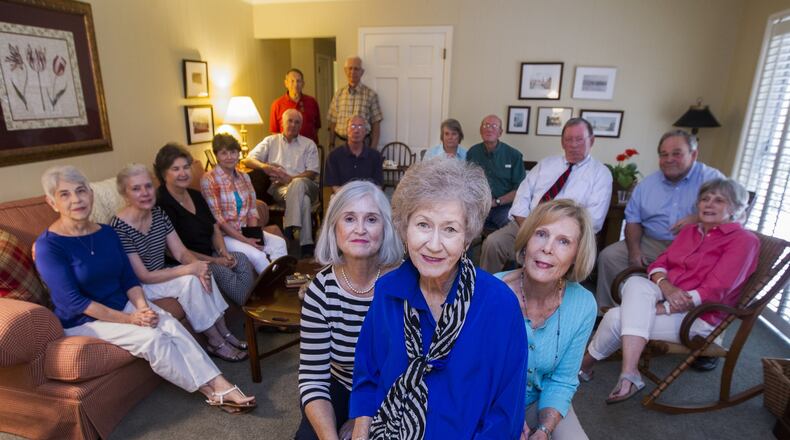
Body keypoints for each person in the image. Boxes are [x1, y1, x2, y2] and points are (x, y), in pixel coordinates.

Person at [34, 165, 256, 414]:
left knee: (169, 324)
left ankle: (220, 382)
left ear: (91, 194)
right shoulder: (48, 247)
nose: (76, 199)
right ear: (52, 202)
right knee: (153, 338)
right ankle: (212, 392)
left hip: (123, 303)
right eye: (65, 194)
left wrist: (142, 307)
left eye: (81, 191)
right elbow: (74, 301)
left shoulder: (106, 233)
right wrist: (130, 318)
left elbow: (128, 278)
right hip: (84, 319)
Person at [350, 159, 528, 439]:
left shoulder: (499, 305)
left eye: (450, 229)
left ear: (467, 238)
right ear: (404, 228)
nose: (433, 244)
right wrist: (362, 430)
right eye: (423, 224)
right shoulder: (387, 292)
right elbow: (368, 375)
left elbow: (506, 412)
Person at [579, 178, 759, 404]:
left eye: (719, 200)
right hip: (667, 295)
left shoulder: (744, 240)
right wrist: (665, 286)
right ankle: (630, 373)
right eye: (705, 199)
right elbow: (659, 262)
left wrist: (664, 307)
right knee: (636, 282)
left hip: (699, 317)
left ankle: (588, 365)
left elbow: (718, 288)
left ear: (735, 208)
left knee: (617, 316)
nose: (709, 204)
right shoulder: (691, 231)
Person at [295, 181, 403, 440]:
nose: (360, 229)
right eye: (350, 218)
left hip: (394, 390)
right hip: (342, 384)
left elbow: (407, 372)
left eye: (372, 219)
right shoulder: (321, 290)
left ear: (385, 229)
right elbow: (313, 379)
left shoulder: (402, 284)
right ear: (334, 227)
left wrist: (360, 421)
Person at [111, 164, 248, 362]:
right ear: (125, 194)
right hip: (139, 286)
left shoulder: (158, 214)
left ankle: (225, 332)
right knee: (190, 280)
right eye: (136, 188)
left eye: (148, 186)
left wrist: (198, 267)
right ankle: (215, 342)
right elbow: (143, 276)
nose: (145, 193)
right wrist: (190, 269)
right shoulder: (119, 227)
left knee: (202, 270)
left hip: (161, 273)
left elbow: (181, 252)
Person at [497, 199, 597, 440]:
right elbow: (475, 375)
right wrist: (509, 418)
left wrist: (544, 430)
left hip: (541, 400)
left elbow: (562, 379)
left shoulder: (583, 305)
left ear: (576, 255)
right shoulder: (492, 293)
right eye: (541, 234)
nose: (548, 248)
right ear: (526, 241)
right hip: (490, 401)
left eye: (564, 241)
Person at [596, 130, 724, 309]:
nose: (669, 159)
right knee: (609, 256)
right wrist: (634, 251)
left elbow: (729, 213)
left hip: (696, 245)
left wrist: (698, 219)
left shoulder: (713, 179)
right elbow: (633, 220)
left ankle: (669, 312)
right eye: (664, 155)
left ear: (693, 154)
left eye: (676, 153)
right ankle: (609, 310)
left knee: (688, 271)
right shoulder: (647, 185)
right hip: (652, 241)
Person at [480, 118, 612, 273]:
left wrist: (551, 233)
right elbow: (522, 195)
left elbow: (593, 221)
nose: (574, 144)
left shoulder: (601, 174)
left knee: (549, 257)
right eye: (569, 139)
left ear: (592, 140)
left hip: (565, 234)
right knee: (493, 243)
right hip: (526, 223)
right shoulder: (546, 164)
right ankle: (485, 289)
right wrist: (529, 228)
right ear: (562, 142)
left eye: (579, 139)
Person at [154, 143, 256, 306]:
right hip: (186, 262)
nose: (183, 173)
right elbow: (174, 251)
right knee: (222, 271)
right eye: (176, 169)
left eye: (186, 167)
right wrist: (215, 261)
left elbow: (214, 227)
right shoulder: (161, 203)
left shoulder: (196, 195)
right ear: (163, 173)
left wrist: (223, 253)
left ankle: (252, 307)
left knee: (241, 259)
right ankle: (254, 309)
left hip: (211, 253)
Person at [201, 133, 288, 273]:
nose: (229, 157)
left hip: (244, 230)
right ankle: (269, 288)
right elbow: (219, 220)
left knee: (279, 243)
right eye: (224, 153)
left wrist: (252, 235)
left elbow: (252, 209)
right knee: (258, 255)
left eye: (233, 152)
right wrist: (246, 241)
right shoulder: (209, 180)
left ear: (238, 154)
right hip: (225, 237)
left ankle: (281, 278)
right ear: (216, 155)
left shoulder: (244, 177)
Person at [244, 109, 321, 254]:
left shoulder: (309, 144)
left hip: (307, 186)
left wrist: (290, 179)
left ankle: (289, 229)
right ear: (282, 123)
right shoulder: (271, 141)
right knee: (303, 201)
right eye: (289, 121)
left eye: (297, 122)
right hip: (280, 188)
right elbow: (247, 159)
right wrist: (265, 167)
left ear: (301, 125)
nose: (293, 125)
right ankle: (306, 244)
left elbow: (312, 172)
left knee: (298, 184)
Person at [466, 114, 527, 232]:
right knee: (460, 225)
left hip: (503, 207)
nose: (489, 128)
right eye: (486, 125)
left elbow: (520, 190)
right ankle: (465, 251)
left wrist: (496, 202)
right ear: (480, 130)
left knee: (512, 229)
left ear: (500, 132)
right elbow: (467, 182)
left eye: (494, 126)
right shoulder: (473, 152)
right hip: (478, 207)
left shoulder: (513, 155)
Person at [328, 56, 383, 150]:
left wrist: (373, 150)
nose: (352, 72)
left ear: (362, 72)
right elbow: (333, 121)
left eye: (356, 69)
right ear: (345, 71)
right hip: (340, 143)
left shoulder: (371, 95)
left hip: (363, 144)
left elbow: (376, 125)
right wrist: (331, 144)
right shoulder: (338, 94)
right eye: (350, 68)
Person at [324, 115, 383, 193]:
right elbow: (334, 186)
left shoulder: (375, 156)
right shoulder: (334, 156)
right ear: (347, 131)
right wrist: (350, 198)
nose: (356, 130)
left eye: (360, 126)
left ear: (365, 131)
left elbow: (378, 186)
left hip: (367, 198)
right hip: (342, 197)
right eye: (352, 126)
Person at [270, 68, 321, 143]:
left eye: (298, 81)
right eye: (292, 81)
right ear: (286, 83)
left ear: (303, 83)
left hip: (308, 149)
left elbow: (316, 127)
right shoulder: (277, 104)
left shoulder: (312, 102)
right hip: (286, 149)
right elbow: (274, 132)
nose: (296, 84)